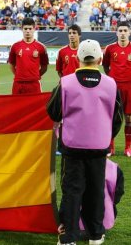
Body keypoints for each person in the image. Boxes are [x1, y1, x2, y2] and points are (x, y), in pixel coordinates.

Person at [47, 39, 123, 245]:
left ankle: (68, 236)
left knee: (72, 190)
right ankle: (96, 235)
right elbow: (117, 119)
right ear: (99, 58)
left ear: (78, 58)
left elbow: (53, 112)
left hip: (72, 147)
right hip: (99, 147)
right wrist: (105, 136)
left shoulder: (66, 82)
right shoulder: (111, 84)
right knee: (96, 191)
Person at [103, 21, 131, 157]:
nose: (123, 33)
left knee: (129, 118)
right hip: (114, 87)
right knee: (111, 117)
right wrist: (112, 79)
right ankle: (111, 147)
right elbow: (105, 66)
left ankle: (128, 148)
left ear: (129, 32)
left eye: (125, 30)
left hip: (130, 87)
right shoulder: (110, 49)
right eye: (120, 31)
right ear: (116, 32)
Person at [8, 17, 49, 94]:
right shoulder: (15, 46)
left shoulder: (41, 47)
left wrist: (35, 76)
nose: (28, 31)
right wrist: (19, 75)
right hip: (18, 83)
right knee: (17, 105)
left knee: (36, 105)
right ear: (22, 29)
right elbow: (11, 64)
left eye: (30, 29)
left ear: (34, 29)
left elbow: (44, 67)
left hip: (34, 83)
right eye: (25, 28)